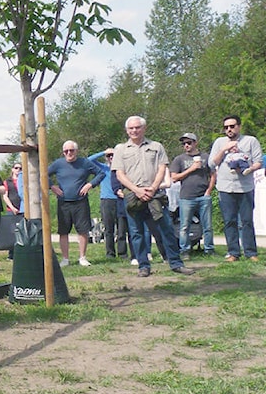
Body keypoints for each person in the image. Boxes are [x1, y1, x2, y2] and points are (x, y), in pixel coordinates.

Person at [112, 116, 195, 278]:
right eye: (131, 128)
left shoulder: (156, 146)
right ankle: (143, 266)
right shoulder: (121, 150)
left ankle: (176, 263)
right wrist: (137, 190)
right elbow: (119, 175)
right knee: (136, 233)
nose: (134, 131)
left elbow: (162, 168)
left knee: (166, 230)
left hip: (154, 194)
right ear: (127, 130)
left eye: (137, 128)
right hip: (133, 196)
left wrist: (153, 188)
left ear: (144, 128)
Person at [209, 115, 263, 262]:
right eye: (226, 127)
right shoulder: (220, 142)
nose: (229, 130)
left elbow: (258, 161)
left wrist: (248, 169)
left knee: (246, 221)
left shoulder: (250, 141)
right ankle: (233, 252)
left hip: (245, 187)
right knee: (229, 221)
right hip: (225, 188)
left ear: (239, 126)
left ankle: (251, 253)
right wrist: (224, 149)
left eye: (232, 126)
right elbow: (212, 163)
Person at [47, 140, 104, 266]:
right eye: (66, 151)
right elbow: (43, 174)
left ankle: (82, 257)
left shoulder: (84, 163)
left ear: (76, 151)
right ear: (63, 152)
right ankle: (65, 259)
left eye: (71, 150)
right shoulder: (58, 164)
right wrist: (52, 187)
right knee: (63, 231)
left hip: (80, 202)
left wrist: (90, 184)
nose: (69, 153)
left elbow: (101, 173)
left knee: (83, 230)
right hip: (63, 203)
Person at [170, 133, 216, 258]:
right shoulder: (179, 159)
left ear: (195, 143)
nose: (186, 145)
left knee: (207, 225)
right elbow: (174, 177)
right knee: (184, 226)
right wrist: (191, 169)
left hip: (203, 196)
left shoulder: (206, 157)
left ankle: (209, 249)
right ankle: (185, 250)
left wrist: (209, 191)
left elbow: (213, 174)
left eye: (189, 143)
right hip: (186, 197)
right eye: (184, 143)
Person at [91, 149, 127, 260]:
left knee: (122, 229)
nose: (111, 157)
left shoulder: (122, 170)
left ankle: (123, 253)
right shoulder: (103, 168)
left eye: (113, 155)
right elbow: (89, 160)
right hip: (106, 201)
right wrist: (103, 152)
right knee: (108, 229)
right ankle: (110, 253)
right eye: (109, 156)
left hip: (120, 200)